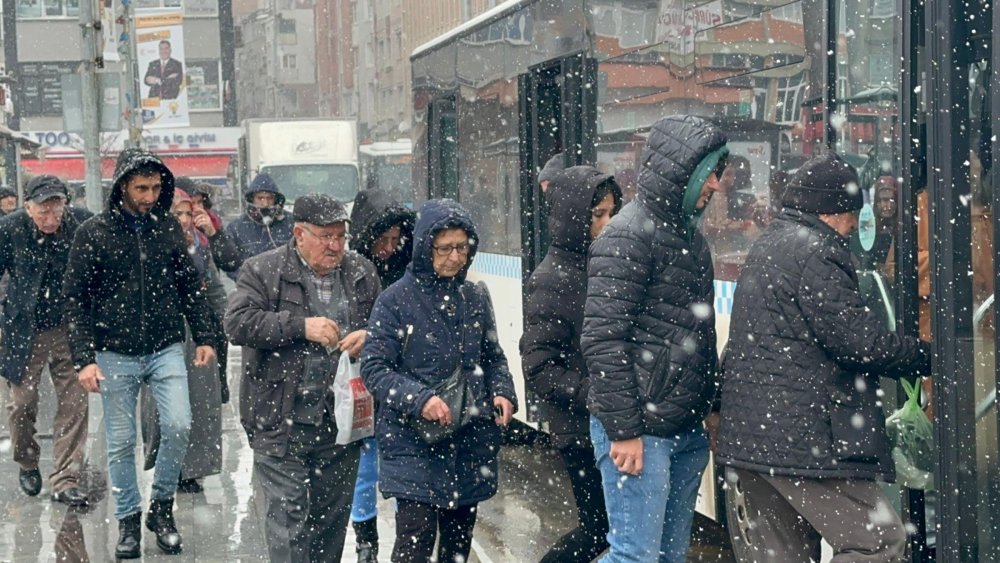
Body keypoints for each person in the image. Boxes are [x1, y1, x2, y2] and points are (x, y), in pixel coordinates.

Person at [716, 152, 931, 563]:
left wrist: (718, 409)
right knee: (880, 541)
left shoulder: (770, 244)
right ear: (831, 211)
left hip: (750, 439)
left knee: (782, 556)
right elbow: (858, 343)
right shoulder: (817, 252)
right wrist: (930, 356)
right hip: (800, 441)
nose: (853, 226)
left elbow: (743, 344)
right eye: (852, 213)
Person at [581, 115, 727, 563]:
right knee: (635, 557)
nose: (716, 186)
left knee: (667, 557)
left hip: (683, 431)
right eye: (709, 173)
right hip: (640, 433)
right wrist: (625, 432)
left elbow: (701, 337)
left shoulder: (692, 241)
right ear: (681, 172)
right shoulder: (626, 236)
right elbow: (603, 341)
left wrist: (712, 408)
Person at [63, 148, 221, 559]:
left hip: (165, 344)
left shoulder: (167, 227)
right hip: (114, 351)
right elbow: (75, 299)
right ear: (122, 188)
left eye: (155, 187)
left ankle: (162, 509)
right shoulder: (93, 234)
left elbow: (190, 284)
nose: (150, 195)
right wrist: (85, 359)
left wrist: (205, 336)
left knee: (179, 425)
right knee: (120, 441)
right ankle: (129, 521)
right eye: (141, 188)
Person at [225, 193, 381, 562]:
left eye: (340, 237)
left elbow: (386, 324)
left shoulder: (361, 272)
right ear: (299, 233)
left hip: (341, 420)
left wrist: (371, 336)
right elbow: (236, 323)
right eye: (325, 237)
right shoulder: (263, 270)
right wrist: (299, 326)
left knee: (330, 525)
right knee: (288, 523)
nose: (335, 246)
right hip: (279, 418)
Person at [361, 198, 517, 563]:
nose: (455, 257)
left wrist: (503, 391)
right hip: (412, 441)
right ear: (424, 247)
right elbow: (375, 368)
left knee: (458, 545)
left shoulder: (475, 297)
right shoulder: (394, 301)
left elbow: (493, 356)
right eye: (444, 248)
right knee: (414, 542)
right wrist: (420, 400)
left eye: (462, 247)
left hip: (468, 439)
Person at [520, 166, 622, 563]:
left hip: (608, 423)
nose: (607, 222)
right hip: (580, 430)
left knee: (611, 531)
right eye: (597, 214)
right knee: (601, 530)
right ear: (572, 218)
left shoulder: (604, 263)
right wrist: (591, 394)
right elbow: (538, 365)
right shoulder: (552, 278)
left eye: (612, 212)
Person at [141, 187, 242, 494]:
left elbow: (213, 285)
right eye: (177, 213)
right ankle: (166, 464)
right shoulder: (150, 242)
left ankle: (192, 468)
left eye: (188, 213)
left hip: (197, 329)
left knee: (201, 399)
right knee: (163, 404)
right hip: (162, 330)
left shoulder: (200, 244)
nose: (184, 220)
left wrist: (220, 323)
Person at [0, 175, 92, 506]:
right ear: (28, 208)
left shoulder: (81, 223)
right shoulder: (9, 229)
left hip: (71, 329)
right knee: (21, 403)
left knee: (74, 404)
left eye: (57, 210)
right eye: (43, 212)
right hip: (25, 330)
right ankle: (26, 459)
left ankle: (66, 478)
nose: (51, 219)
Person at [347, 188, 416, 562]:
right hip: (365, 378)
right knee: (366, 463)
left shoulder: (406, 270)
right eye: (382, 239)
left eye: (395, 240)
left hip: (400, 379)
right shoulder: (352, 270)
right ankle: (366, 538)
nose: (389, 247)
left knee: (397, 462)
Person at [224, 172, 293, 273]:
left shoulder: (290, 222)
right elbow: (229, 262)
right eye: (260, 198)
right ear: (252, 199)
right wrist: (245, 279)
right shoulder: (236, 227)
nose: (265, 203)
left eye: (269, 198)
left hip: (285, 284)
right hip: (250, 285)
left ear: (276, 200)